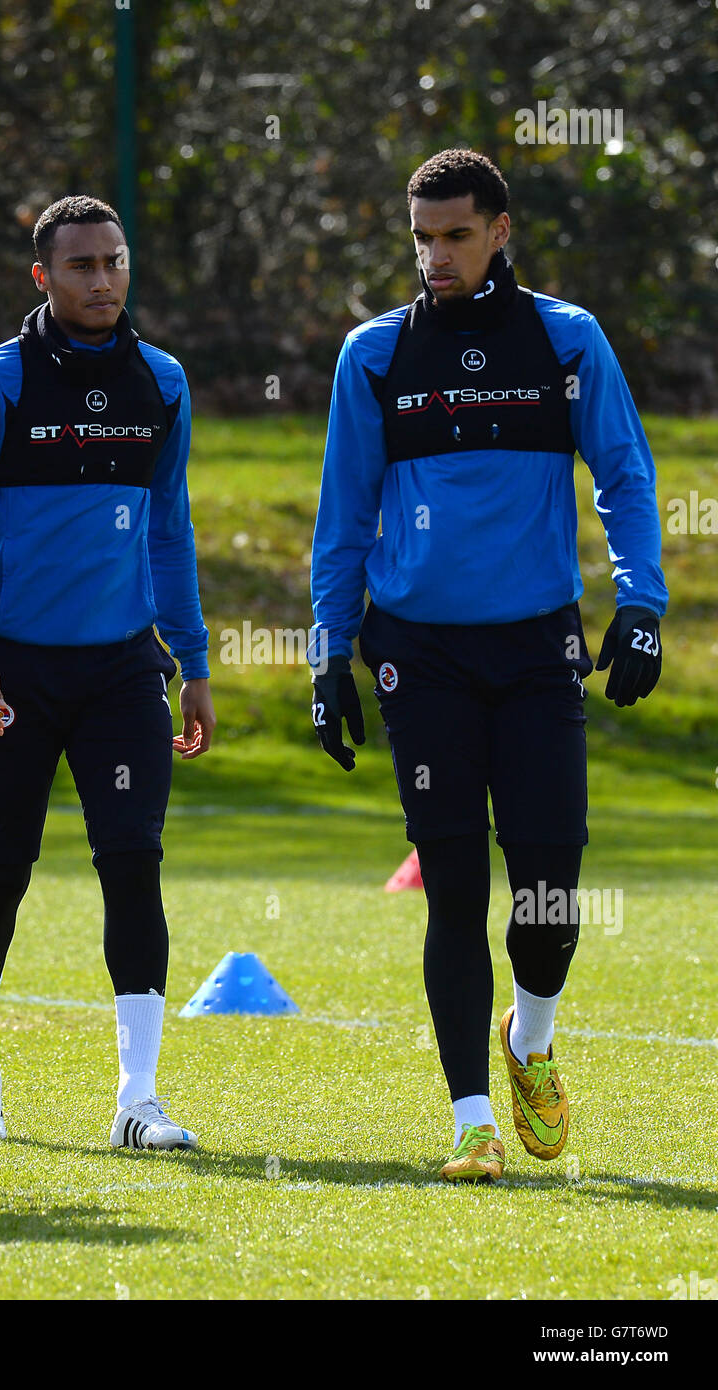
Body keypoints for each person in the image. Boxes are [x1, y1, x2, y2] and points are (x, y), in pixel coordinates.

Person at [309, 149, 667, 1182]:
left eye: (456, 234)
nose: (437, 257)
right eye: (422, 238)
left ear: (501, 228)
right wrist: (328, 656)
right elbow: (342, 521)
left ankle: (531, 1038)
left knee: (550, 886)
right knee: (454, 884)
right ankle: (471, 1117)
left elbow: (625, 475)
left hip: (536, 646)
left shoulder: (567, 340)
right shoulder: (372, 356)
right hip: (416, 657)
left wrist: (640, 603)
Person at [0, 195, 215, 1152]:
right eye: (80, 265)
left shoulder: (161, 384)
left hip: (124, 670)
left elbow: (169, 532)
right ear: (42, 278)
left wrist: (194, 661)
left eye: (115, 262)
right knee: (3, 869)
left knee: (134, 862)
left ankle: (137, 1100)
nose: (102, 280)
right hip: (11, 673)